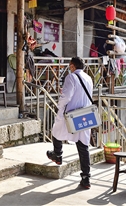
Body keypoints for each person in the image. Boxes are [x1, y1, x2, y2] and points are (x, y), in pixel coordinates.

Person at [46, 57, 93, 189]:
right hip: (84, 114)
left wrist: (60, 106)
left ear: (72, 66)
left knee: (56, 131)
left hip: (71, 114)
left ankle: (57, 155)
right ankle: (86, 177)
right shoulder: (89, 78)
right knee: (83, 145)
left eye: (69, 66)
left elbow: (66, 96)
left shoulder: (71, 77)